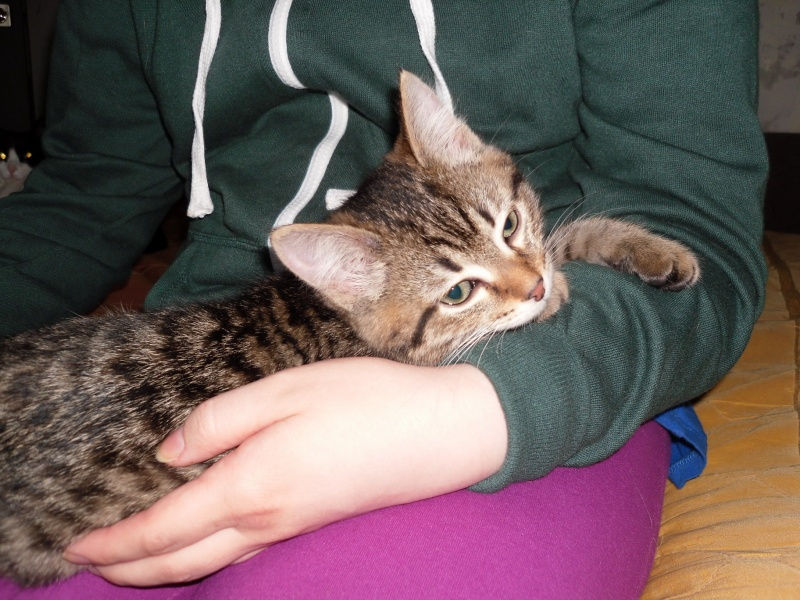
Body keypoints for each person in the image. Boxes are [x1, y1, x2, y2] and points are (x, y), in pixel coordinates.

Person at [0, 0, 766, 597]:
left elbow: (694, 223)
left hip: (556, 377)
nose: (529, 282)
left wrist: (483, 410)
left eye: (510, 229)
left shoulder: (487, 228)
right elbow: (81, 198)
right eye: (468, 283)